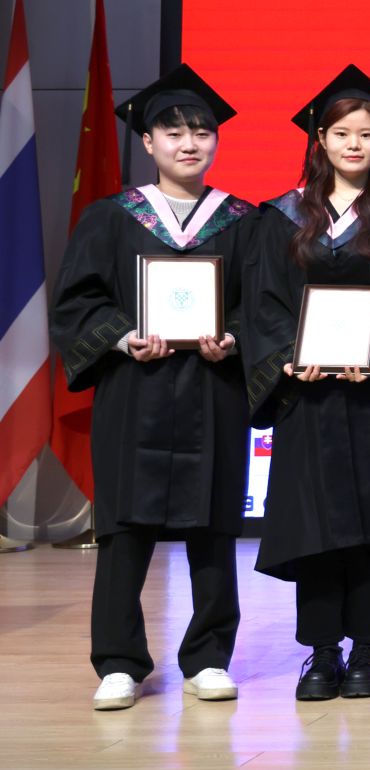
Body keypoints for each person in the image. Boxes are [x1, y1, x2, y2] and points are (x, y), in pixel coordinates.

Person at [52, 66, 257, 710]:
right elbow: (78, 302)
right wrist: (122, 337)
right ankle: (119, 662)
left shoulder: (245, 222)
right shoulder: (110, 218)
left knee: (213, 525)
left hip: (213, 390)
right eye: (173, 132)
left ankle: (209, 658)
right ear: (147, 141)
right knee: (124, 529)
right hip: (133, 389)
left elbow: (265, 307)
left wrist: (235, 339)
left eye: (202, 132)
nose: (189, 143)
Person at [242, 65, 370, 701]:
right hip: (310, 399)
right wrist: (287, 359)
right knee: (316, 524)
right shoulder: (283, 216)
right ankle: (322, 651)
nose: (355, 144)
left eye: (367, 134)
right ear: (319, 139)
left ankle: (368, 650)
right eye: (342, 133)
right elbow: (266, 302)